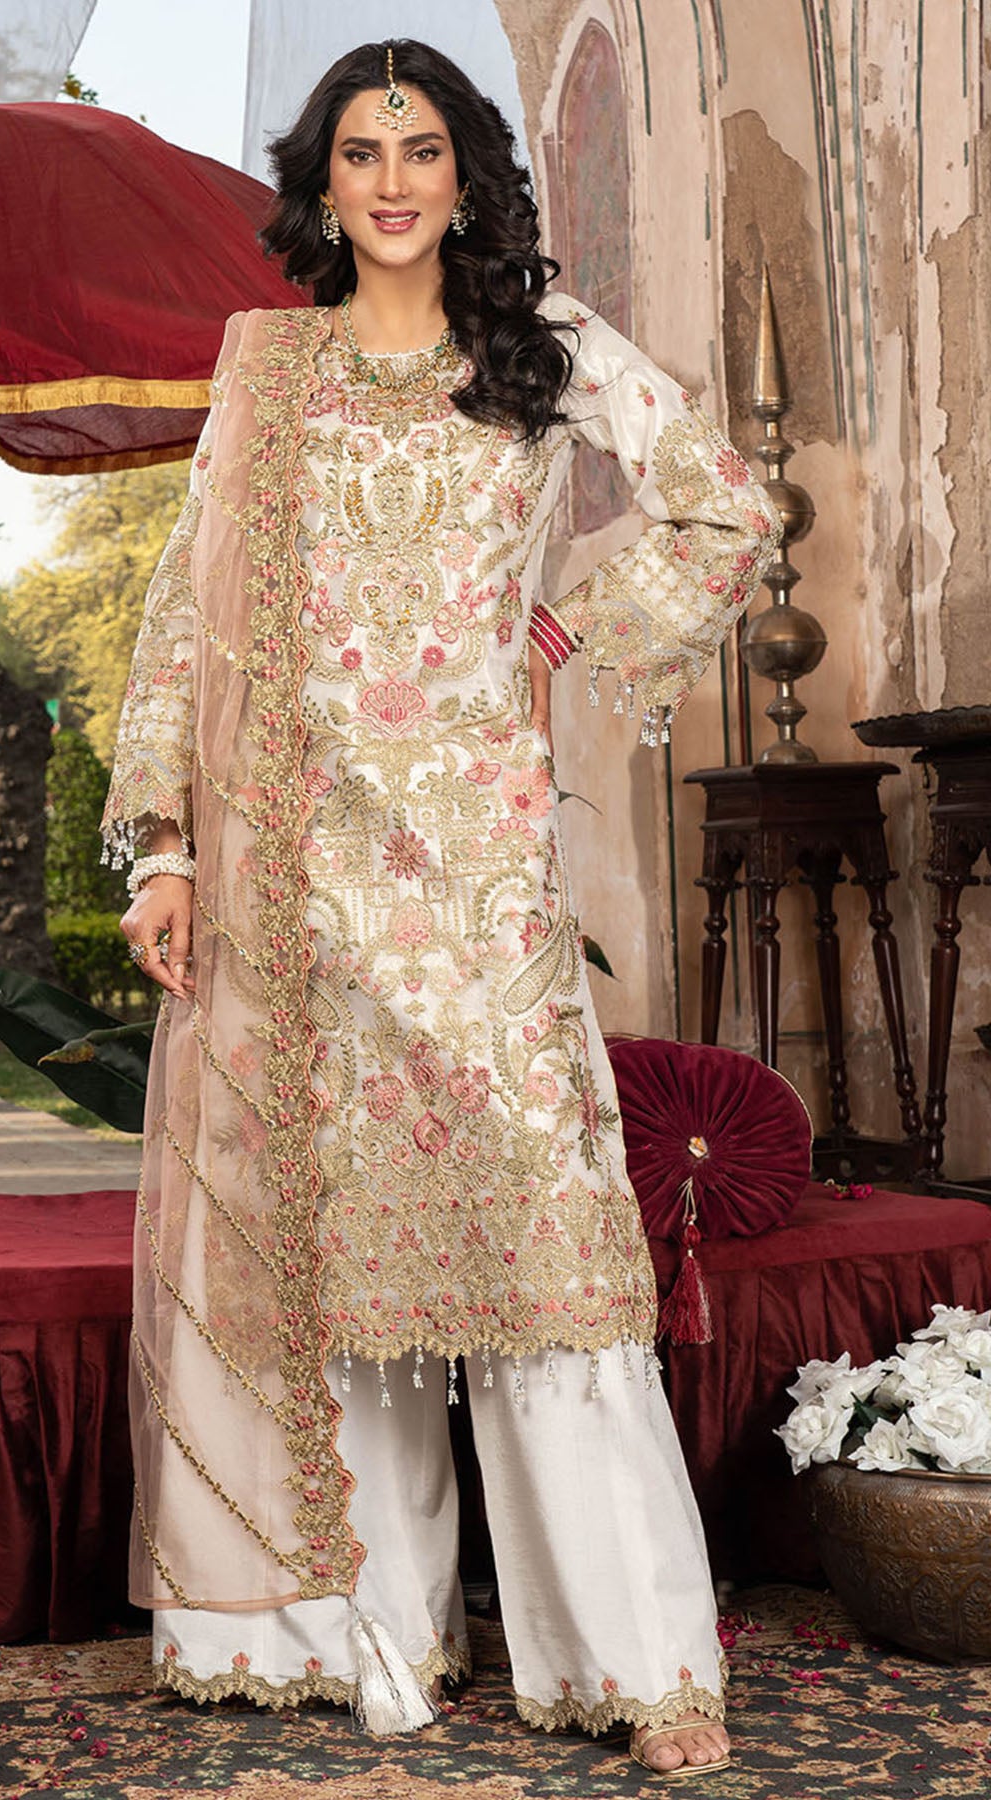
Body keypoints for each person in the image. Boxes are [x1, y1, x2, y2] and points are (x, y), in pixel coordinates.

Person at [103, 37, 779, 1778]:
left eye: (422, 146)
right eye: (359, 150)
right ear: (320, 185)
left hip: (475, 879)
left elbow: (720, 503)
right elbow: (186, 615)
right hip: (295, 884)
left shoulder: (539, 348)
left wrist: (563, 637)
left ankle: (632, 1662)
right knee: (336, 1273)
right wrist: (167, 843)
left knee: (543, 1257)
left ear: (467, 173)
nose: (393, 179)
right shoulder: (271, 370)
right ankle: (372, 1638)